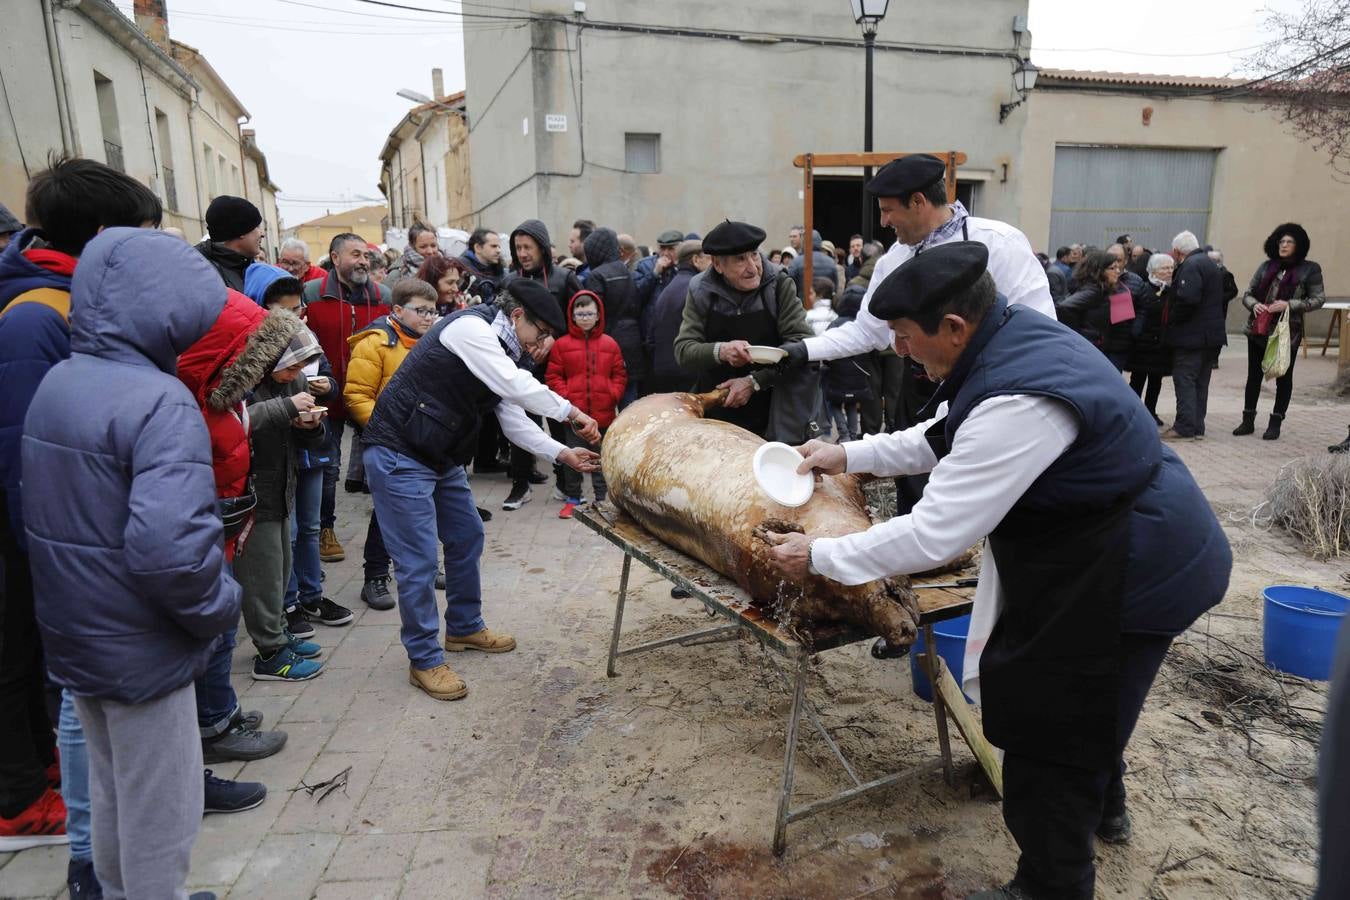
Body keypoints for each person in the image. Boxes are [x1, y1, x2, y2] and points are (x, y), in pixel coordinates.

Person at [762, 242, 1231, 900]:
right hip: (1119, 541)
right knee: (1093, 703)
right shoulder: (1012, 335)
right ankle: (1106, 810)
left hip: (1133, 562)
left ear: (953, 328)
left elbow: (935, 533)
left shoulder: (1020, 398)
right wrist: (848, 453)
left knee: (1051, 740)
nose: (897, 350)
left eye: (902, 335)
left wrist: (819, 555)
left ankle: (1050, 884)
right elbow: (946, 432)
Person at [22, 228, 245, 900]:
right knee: (162, 817)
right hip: (142, 643)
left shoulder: (61, 380)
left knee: (116, 792)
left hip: (77, 632)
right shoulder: (159, 400)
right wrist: (218, 609)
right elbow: (171, 553)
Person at [0, 158, 160, 881]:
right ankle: (27, 804)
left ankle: (53, 788)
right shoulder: (39, 313)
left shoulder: (72, 299)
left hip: (63, 540)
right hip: (43, 541)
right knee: (31, 669)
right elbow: (30, 452)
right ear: (103, 237)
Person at [360, 278, 601, 700]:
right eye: (540, 333)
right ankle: (425, 659)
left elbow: (512, 417)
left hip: (439, 453)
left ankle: (465, 627)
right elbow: (515, 387)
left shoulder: (505, 352)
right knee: (417, 563)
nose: (540, 343)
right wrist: (573, 412)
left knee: (467, 535)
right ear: (517, 316)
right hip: (399, 452)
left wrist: (563, 453)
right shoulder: (471, 330)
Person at [176, 282, 294, 773]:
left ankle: (220, 716)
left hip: (219, 524)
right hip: (201, 530)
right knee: (214, 631)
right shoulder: (191, 400)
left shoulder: (215, 396)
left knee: (221, 629)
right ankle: (213, 729)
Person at [234, 319, 334, 681]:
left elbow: (305, 436)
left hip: (280, 485)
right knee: (261, 574)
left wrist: (311, 426)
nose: (297, 373)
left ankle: (277, 633)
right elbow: (234, 422)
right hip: (250, 491)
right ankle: (270, 653)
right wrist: (289, 408)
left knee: (279, 568)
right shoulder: (242, 379)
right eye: (291, 365)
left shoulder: (292, 380)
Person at [673, 220, 816, 441]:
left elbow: (801, 344)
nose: (752, 267)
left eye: (754, 255)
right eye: (740, 259)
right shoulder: (701, 290)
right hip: (718, 408)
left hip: (774, 408)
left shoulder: (779, 285)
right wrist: (721, 351)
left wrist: (753, 382)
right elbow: (683, 350)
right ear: (718, 265)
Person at [343, 278, 438, 609]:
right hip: (390, 445)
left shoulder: (430, 344)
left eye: (433, 311)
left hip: (425, 443)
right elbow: (356, 395)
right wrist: (388, 432)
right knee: (385, 515)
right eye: (420, 311)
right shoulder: (375, 344)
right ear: (397, 310)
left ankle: (425, 566)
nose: (428, 317)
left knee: (425, 508)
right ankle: (375, 577)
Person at [303, 232, 392, 560]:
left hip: (374, 397)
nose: (363, 261)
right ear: (335, 257)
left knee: (385, 465)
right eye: (355, 254)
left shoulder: (383, 295)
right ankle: (325, 529)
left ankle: (391, 530)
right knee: (328, 468)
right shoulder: (311, 294)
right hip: (328, 396)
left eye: (365, 256)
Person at [499, 219, 581, 510]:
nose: (522, 253)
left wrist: (552, 339)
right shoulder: (508, 281)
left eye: (528, 247)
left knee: (559, 422)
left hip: (555, 366)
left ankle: (565, 481)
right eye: (517, 247)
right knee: (521, 424)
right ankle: (520, 485)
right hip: (520, 365)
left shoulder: (564, 278)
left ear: (542, 248)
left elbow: (579, 318)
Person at [1233, 223, 1325, 441]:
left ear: (1299, 245)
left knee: (1283, 377)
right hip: (1259, 328)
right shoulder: (1267, 266)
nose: (1284, 245)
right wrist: (1254, 304)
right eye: (1281, 241)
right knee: (1254, 376)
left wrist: (1289, 305)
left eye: (1289, 242)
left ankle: (1275, 423)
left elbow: (1318, 299)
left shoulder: (1310, 269)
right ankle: (1248, 420)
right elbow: (1248, 293)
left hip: (1286, 331)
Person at [546, 291, 626, 517]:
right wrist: (567, 397)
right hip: (575, 418)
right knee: (573, 456)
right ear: (572, 315)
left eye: (589, 313)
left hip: (603, 414)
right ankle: (573, 497)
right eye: (579, 313)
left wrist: (613, 393)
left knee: (601, 458)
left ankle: (603, 498)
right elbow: (553, 376)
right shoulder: (562, 345)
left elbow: (619, 374)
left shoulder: (610, 344)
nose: (584, 318)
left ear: (598, 315)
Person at [1162, 230, 1225, 442]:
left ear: (1178, 252)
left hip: (1192, 336)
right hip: (1210, 336)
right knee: (1200, 381)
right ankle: (1197, 425)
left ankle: (1184, 426)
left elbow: (1188, 300)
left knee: (1185, 378)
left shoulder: (1190, 266)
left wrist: (1173, 321)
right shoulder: (1208, 263)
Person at [583, 227, 646, 405]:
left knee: (606, 403)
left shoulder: (596, 276)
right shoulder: (627, 271)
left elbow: (593, 314)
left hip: (608, 342)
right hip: (633, 341)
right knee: (630, 402)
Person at [645, 239, 708, 395]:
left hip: (664, 370)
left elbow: (651, 336)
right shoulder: (696, 287)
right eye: (709, 258)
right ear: (696, 260)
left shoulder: (668, 288)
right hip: (689, 370)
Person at [1057, 250, 1134, 368]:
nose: (1118, 271)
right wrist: (1080, 333)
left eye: (1118, 267)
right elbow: (1065, 307)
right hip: (1089, 347)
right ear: (1099, 271)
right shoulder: (1094, 290)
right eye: (1112, 268)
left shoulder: (1103, 289)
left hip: (1096, 348)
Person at [1128, 253, 1176, 427]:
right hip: (1143, 345)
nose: (1169, 271)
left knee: (1156, 381)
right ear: (1154, 270)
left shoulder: (1173, 291)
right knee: (1138, 379)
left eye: (1171, 267)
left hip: (1161, 345)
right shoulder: (1145, 289)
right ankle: (1133, 411)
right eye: (1165, 268)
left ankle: (1151, 411)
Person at [822, 287, 873, 443]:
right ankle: (851, 434)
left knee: (836, 403)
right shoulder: (862, 326)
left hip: (837, 372)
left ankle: (843, 434)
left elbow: (826, 346)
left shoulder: (835, 324)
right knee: (851, 404)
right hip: (857, 374)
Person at [196, 195, 264, 292]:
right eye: (257, 227)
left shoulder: (249, 267)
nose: (262, 234)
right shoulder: (202, 274)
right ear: (241, 231)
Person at [786, 229, 840, 299]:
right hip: (824, 304)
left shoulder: (796, 262)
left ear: (804, 242)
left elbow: (790, 287)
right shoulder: (830, 262)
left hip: (802, 305)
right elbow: (834, 288)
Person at [458, 227, 506, 304]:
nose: (498, 251)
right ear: (478, 248)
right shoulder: (461, 267)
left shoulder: (500, 269)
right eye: (493, 246)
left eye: (499, 246)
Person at [387, 223, 440, 287]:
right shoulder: (398, 274)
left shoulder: (446, 269)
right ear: (412, 246)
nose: (430, 251)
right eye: (423, 247)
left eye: (433, 245)